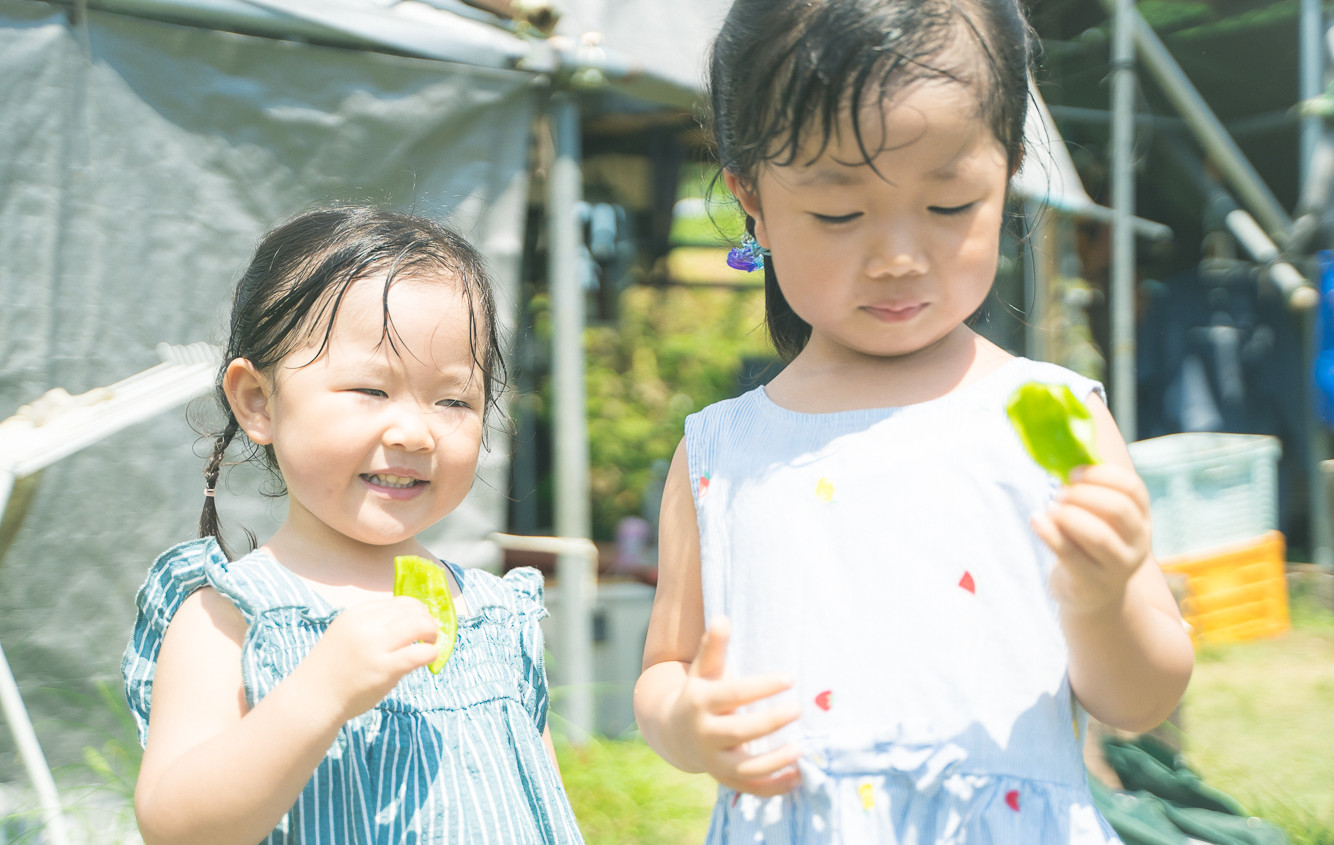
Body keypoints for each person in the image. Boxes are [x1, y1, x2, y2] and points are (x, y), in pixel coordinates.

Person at [632, 1, 1195, 841]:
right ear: (753, 199)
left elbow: (1143, 697)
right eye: (838, 214)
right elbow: (664, 670)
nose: (898, 255)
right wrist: (687, 722)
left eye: (948, 205)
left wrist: (1102, 600)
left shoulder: (1045, 414)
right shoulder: (723, 451)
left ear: (1006, 173)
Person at [123, 206, 584, 845]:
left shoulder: (494, 619)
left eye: (454, 400)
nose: (415, 432)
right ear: (258, 401)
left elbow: (535, 805)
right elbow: (176, 827)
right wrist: (318, 694)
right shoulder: (229, 617)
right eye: (371, 390)